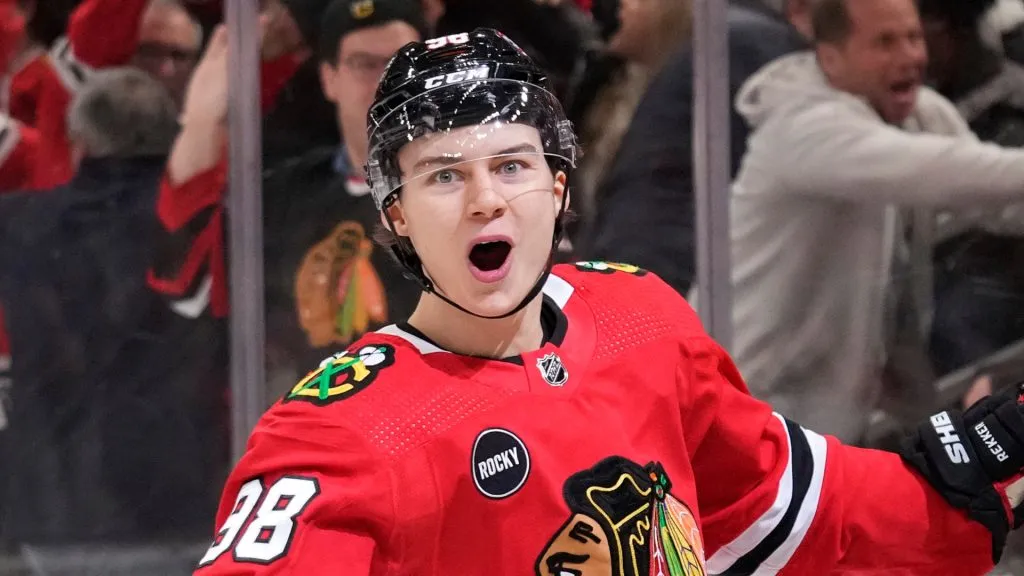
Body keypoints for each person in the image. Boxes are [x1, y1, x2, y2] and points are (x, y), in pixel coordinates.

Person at [194, 28, 1024, 575]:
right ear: (397, 212)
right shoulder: (342, 430)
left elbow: (779, 502)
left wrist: (958, 477)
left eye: (513, 165)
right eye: (445, 174)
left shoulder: (639, 320)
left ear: (559, 189)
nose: (486, 199)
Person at [727, 0, 1024, 443]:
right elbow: (945, 171)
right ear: (831, 57)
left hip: (840, 417)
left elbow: (995, 204)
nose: (911, 56)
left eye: (913, 37)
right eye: (885, 42)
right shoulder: (803, 128)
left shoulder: (919, 112)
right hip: (749, 407)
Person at [0, 67, 226, 546]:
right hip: (179, 490)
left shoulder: (16, 223)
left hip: (50, 499)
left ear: (77, 139)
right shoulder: (203, 224)